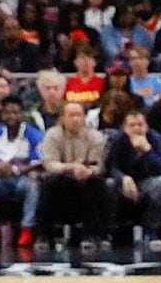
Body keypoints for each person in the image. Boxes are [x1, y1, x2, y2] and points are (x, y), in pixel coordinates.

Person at [39, 101, 109, 243]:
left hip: (85, 177)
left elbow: (98, 165)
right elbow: (49, 163)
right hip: (62, 176)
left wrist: (87, 171)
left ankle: (93, 235)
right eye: (71, 115)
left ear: (84, 117)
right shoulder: (52, 135)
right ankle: (44, 236)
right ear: (63, 118)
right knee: (49, 183)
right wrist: (70, 167)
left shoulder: (96, 136)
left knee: (98, 183)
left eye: (79, 115)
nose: (75, 119)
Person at [103, 110, 161, 248]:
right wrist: (123, 178)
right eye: (132, 125)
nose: (137, 128)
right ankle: (110, 230)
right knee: (108, 184)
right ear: (124, 128)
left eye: (140, 124)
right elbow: (111, 167)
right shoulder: (118, 139)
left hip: (147, 181)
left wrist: (147, 150)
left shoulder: (154, 138)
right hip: (123, 183)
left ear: (146, 126)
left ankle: (150, 230)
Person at [0, 97, 40, 249]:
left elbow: (37, 161)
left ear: (22, 114)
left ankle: (27, 229)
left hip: (23, 178)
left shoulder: (33, 134)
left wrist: (15, 169)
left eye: (15, 112)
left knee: (32, 187)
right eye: (7, 112)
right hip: (0, 178)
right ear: (2, 114)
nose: (11, 116)